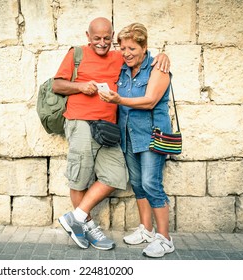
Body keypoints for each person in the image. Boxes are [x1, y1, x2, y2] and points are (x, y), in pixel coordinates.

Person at [53, 17, 170, 251]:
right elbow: (57, 85)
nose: (102, 43)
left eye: (107, 38)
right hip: (81, 122)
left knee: (117, 175)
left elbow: (142, 57)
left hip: (109, 127)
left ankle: (75, 217)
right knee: (80, 176)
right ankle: (86, 226)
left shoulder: (121, 57)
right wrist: (80, 86)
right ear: (88, 36)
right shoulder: (76, 54)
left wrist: (163, 55)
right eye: (97, 38)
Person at [98, 22, 174, 258]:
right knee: (138, 184)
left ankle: (165, 239)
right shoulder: (123, 69)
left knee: (152, 184)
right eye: (123, 49)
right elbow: (98, 52)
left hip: (153, 135)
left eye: (132, 48)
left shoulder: (157, 68)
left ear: (144, 47)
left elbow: (150, 100)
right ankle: (147, 230)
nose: (127, 53)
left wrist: (117, 100)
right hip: (128, 135)